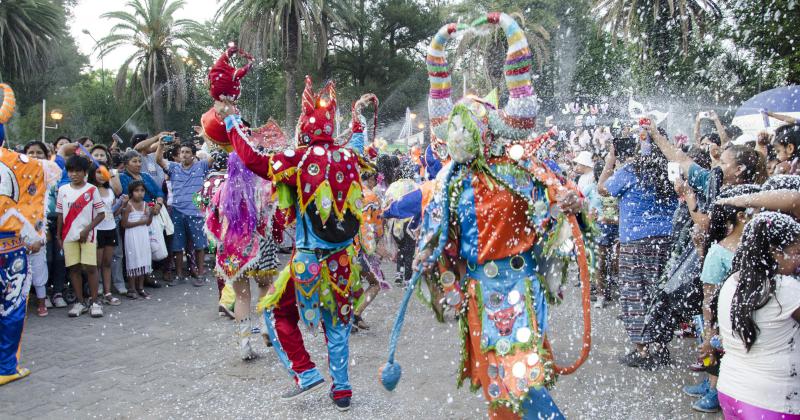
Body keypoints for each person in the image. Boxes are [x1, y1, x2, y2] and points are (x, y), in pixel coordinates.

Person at [383, 14, 591, 419]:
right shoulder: (448, 183)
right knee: (498, 383)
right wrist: (443, 274)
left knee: (522, 377)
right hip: (479, 290)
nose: (461, 135)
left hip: (520, 286)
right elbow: (434, 232)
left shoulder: (521, 169)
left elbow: (558, 202)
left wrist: (569, 204)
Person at [219, 76, 367, 411]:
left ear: (304, 127)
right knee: (338, 322)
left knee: (275, 310)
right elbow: (360, 143)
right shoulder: (348, 158)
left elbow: (253, 158)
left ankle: (304, 371)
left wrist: (230, 120)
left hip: (308, 260)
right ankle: (342, 390)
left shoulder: (297, 158)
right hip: (343, 260)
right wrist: (358, 118)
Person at [599, 127, 678, 369]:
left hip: (636, 242)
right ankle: (661, 347)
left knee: (635, 294)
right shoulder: (672, 170)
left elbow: (603, 188)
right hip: (667, 240)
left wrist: (612, 156)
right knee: (661, 292)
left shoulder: (631, 171)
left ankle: (643, 351)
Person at [681, 184, 760, 413]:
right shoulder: (719, 251)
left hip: (742, 317)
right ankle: (715, 388)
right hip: (719, 318)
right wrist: (708, 331)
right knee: (715, 353)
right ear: (741, 216)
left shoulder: (754, 248)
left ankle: (718, 387)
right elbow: (708, 298)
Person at [716, 212, 800, 418]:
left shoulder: (732, 282)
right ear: (775, 252)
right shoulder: (785, 289)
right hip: (773, 401)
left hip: (731, 390)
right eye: (797, 252)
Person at [0, 123, 59, 385]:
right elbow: (53, 170)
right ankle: (6, 367)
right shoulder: (24, 163)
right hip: (10, 247)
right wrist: (35, 235)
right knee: (11, 307)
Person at [205, 152, 278, 359]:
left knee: (241, 296)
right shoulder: (263, 186)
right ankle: (266, 327)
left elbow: (212, 220)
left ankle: (245, 344)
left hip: (231, 249)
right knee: (265, 285)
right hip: (260, 245)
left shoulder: (222, 188)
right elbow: (271, 214)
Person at [56, 156, 106, 318]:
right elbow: (60, 214)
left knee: (90, 268)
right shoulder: (63, 189)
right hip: (68, 237)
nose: (74, 174)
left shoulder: (92, 190)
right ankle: (80, 302)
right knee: (74, 269)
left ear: (85, 172)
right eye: (70, 171)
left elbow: (101, 214)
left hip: (88, 237)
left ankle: (95, 302)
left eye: (78, 171)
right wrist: (58, 235)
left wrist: (86, 230)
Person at [156, 140, 211, 286]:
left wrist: (207, 137)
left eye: (187, 152)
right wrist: (161, 145)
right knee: (177, 246)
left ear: (193, 155)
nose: (184, 155)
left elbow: (213, 157)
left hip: (197, 212)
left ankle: (200, 274)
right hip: (177, 212)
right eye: (182, 152)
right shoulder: (173, 167)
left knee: (200, 245)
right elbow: (158, 160)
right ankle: (179, 275)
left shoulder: (202, 165)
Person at [22, 141, 54, 316]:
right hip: (19, 232)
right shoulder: (17, 177)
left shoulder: (48, 177)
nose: (34, 156)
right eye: (30, 152)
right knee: (20, 271)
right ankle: (22, 305)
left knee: (39, 268)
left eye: (38, 152)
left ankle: (42, 302)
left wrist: (40, 239)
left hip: (39, 229)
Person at [89, 166, 123, 307]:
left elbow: (112, 212)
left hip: (110, 229)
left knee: (107, 262)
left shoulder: (110, 191)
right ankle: (95, 295)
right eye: (98, 172)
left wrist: (122, 204)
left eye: (104, 173)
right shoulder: (90, 190)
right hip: (96, 230)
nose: (102, 176)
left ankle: (108, 293)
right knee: (95, 264)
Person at [121, 181, 157, 299]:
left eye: (142, 190)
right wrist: (140, 222)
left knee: (143, 260)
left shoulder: (145, 204)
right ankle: (131, 288)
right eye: (137, 191)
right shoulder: (128, 206)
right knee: (133, 260)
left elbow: (148, 223)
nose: (140, 193)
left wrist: (151, 214)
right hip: (132, 236)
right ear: (131, 192)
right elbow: (124, 224)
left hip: (143, 235)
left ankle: (140, 287)